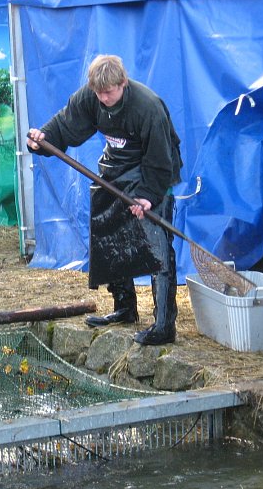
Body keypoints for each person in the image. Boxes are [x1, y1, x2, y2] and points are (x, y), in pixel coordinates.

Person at [27, 54, 182, 346]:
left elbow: (161, 158)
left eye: (109, 92)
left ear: (122, 83)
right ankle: (124, 307)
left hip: (153, 170)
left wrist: (148, 197)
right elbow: (65, 125)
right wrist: (42, 138)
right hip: (114, 168)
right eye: (98, 93)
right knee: (109, 235)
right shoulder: (92, 96)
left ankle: (164, 325)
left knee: (157, 245)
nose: (103, 98)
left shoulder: (148, 107)